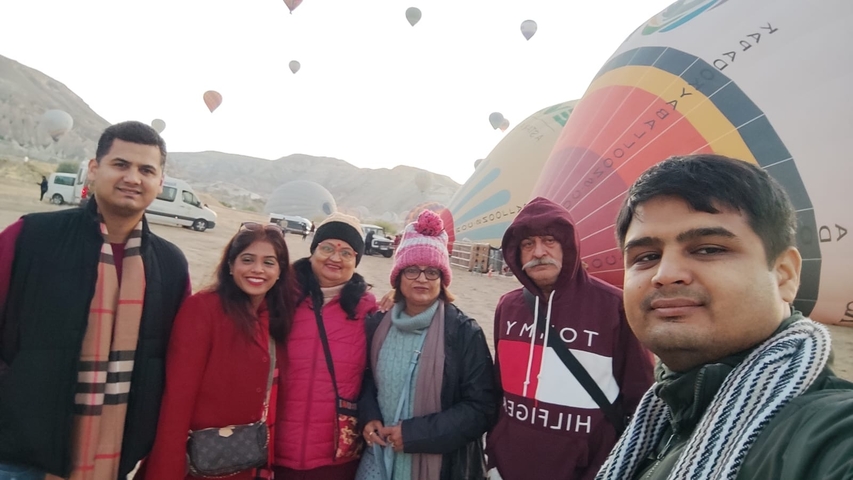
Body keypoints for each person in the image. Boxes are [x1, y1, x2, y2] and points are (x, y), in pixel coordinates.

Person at [596, 154, 853, 480]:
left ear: (785, 275)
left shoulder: (830, 437)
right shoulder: (663, 419)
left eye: (709, 249)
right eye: (646, 257)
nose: (665, 274)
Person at [0, 121, 190, 480]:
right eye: (121, 164)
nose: (133, 177)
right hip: (18, 459)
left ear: (160, 183)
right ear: (94, 168)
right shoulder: (31, 237)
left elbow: (172, 360)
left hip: (113, 458)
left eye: (146, 170)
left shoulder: (170, 265)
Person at [485, 197, 654, 480]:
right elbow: (499, 391)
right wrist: (493, 455)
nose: (538, 252)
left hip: (588, 468)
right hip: (508, 466)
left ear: (569, 244)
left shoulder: (614, 306)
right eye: (527, 244)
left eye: (549, 240)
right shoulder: (508, 306)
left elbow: (640, 397)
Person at [142, 222, 296, 479]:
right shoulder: (203, 310)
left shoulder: (274, 317)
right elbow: (177, 400)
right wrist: (166, 468)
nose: (257, 269)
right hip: (199, 463)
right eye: (247, 259)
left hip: (246, 459)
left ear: (280, 271)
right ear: (230, 265)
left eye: (269, 262)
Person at [358, 210, 498, 480]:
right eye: (412, 270)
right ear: (398, 276)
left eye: (431, 271)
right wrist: (369, 416)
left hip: (440, 467)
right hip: (379, 459)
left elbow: (482, 408)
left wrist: (414, 435)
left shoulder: (463, 332)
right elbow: (366, 380)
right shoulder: (378, 324)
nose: (422, 279)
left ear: (442, 279)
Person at [273, 213, 377, 480]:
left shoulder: (368, 310)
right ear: (313, 251)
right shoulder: (279, 296)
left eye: (346, 252)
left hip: (337, 456)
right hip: (275, 448)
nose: (335, 257)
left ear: (356, 261)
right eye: (327, 248)